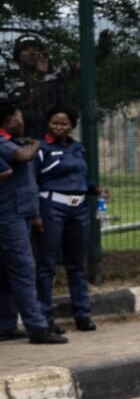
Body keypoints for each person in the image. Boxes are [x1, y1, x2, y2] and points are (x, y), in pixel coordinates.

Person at [0, 103, 68, 343]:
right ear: (9, 120)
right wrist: (36, 144)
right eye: (19, 118)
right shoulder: (5, 141)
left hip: (22, 212)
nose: (23, 122)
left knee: (8, 275)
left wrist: (36, 215)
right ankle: (37, 328)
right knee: (23, 270)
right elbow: (21, 157)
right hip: (9, 215)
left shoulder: (14, 141)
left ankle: (6, 325)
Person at [33, 106, 102, 331]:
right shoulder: (40, 148)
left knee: (76, 265)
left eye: (64, 124)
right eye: (54, 123)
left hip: (79, 209)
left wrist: (95, 189)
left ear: (72, 126)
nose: (59, 127)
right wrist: (36, 214)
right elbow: (31, 182)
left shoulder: (77, 148)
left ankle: (83, 315)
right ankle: (45, 318)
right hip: (51, 207)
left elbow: (80, 178)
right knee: (47, 265)